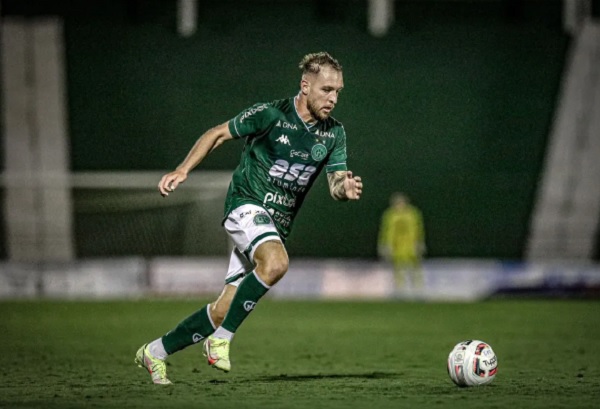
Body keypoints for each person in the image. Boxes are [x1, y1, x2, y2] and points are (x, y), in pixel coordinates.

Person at [135, 52, 363, 384]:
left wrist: (347, 188)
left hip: (276, 225)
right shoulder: (270, 115)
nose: (333, 98)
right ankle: (221, 341)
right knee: (276, 264)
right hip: (246, 204)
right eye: (326, 89)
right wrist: (183, 169)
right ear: (305, 85)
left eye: (338, 91)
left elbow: (336, 184)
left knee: (223, 309)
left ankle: (154, 352)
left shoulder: (334, 133)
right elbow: (216, 134)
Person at [378, 192, 425, 294]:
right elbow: (385, 231)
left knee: (415, 267)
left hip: (411, 245)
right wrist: (384, 244)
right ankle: (400, 289)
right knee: (398, 268)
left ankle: (418, 289)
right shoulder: (390, 215)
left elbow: (419, 229)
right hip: (396, 247)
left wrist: (420, 243)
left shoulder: (413, 213)